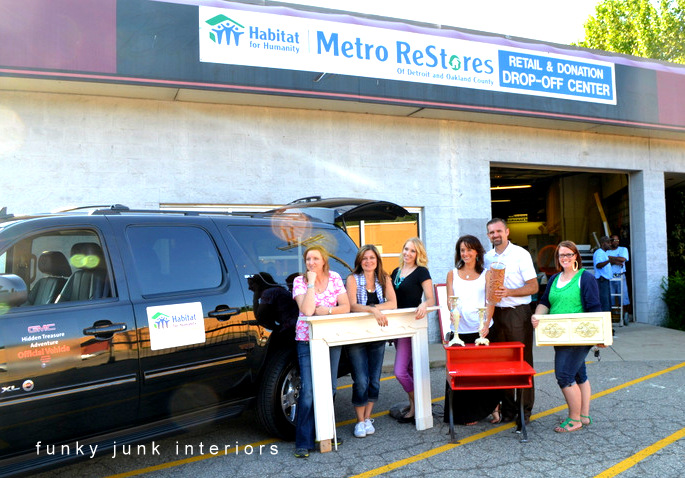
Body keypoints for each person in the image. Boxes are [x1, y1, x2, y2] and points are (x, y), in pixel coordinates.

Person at [532, 241, 602, 432]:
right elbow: (545, 302)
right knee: (579, 374)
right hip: (559, 335)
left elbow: (595, 308)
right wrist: (537, 316)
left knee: (564, 375)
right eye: (561, 255)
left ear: (576, 256)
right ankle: (584, 416)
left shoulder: (585, 278)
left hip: (579, 336)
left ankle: (574, 419)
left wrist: (600, 337)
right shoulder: (554, 279)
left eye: (569, 254)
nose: (565, 258)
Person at [292, 245, 351, 458]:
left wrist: (327, 310)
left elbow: (346, 307)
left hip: (331, 339)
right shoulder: (299, 281)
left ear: (324, 260)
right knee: (308, 390)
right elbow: (307, 310)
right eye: (308, 259)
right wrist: (310, 282)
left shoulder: (334, 278)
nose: (311, 263)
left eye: (315, 259)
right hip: (306, 340)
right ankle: (303, 441)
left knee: (330, 387)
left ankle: (325, 434)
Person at [484, 218, 538, 425]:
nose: (495, 235)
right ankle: (508, 410)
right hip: (495, 314)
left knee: (523, 363)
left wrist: (509, 292)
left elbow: (533, 287)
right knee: (502, 365)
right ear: (488, 235)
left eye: (498, 231)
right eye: (491, 232)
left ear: (507, 232)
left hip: (517, 313)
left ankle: (524, 411)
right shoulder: (487, 257)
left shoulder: (521, 254)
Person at [443, 235, 501, 425]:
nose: (465, 253)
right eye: (462, 250)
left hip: (481, 330)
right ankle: (466, 414)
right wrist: (452, 312)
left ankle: (493, 408)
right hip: (459, 330)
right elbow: (449, 300)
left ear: (477, 252)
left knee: (484, 373)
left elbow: (490, 301)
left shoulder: (487, 274)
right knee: (462, 373)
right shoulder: (452, 274)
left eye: (469, 249)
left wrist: (487, 323)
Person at [345, 245, 397, 438]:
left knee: (374, 380)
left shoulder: (384, 278)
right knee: (361, 380)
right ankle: (359, 421)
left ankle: (367, 418)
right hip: (356, 336)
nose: (368, 261)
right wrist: (373, 309)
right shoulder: (352, 279)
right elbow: (352, 305)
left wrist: (374, 307)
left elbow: (393, 303)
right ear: (360, 261)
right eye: (365, 258)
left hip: (377, 335)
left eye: (372, 258)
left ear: (377, 260)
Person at [390, 237, 434, 424]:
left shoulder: (421, 271)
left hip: (411, 326)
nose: (408, 253)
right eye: (406, 249)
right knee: (408, 369)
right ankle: (416, 407)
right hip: (396, 326)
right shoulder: (396, 272)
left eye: (413, 251)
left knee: (400, 371)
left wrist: (424, 304)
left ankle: (420, 404)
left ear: (418, 254)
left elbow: (431, 299)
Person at [607, 234, 630, 322]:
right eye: (614, 240)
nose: (616, 242)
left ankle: (624, 315)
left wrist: (610, 259)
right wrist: (615, 261)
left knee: (623, 296)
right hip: (610, 277)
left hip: (620, 276)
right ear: (610, 241)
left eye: (617, 240)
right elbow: (604, 261)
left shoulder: (623, 249)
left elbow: (623, 259)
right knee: (611, 296)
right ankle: (612, 317)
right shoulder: (606, 251)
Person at [593, 236, 613, 314]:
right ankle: (605, 319)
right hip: (601, 280)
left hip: (605, 280)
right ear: (603, 243)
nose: (610, 244)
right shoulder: (599, 253)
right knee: (604, 302)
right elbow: (598, 265)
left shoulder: (604, 253)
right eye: (608, 243)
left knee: (607, 301)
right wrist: (608, 261)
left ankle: (608, 319)